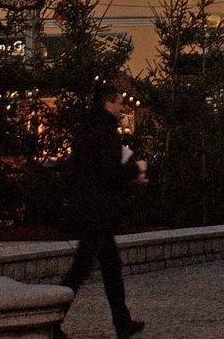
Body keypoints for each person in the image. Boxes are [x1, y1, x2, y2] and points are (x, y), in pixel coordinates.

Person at [59, 85, 146, 338]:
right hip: (97, 212)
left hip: (92, 209)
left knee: (110, 267)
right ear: (108, 104)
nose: (122, 108)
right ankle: (52, 320)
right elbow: (109, 170)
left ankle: (123, 322)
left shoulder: (90, 128)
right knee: (81, 270)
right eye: (120, 103)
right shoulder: (105, 131)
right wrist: (135, 169)